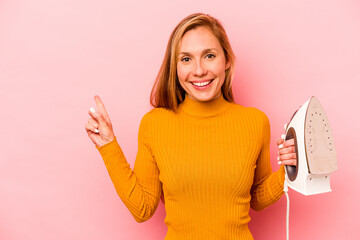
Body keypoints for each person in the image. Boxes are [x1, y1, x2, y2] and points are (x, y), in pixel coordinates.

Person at [85, 13, 296, 240]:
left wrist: (289, 170)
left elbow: (256, 198)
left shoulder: (255, 122)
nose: (198, 70)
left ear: (226, 60)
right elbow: (142, 209)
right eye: (186, 59)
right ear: (175, 68)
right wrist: (108, 146)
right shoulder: (155, 124)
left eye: (209, 56)